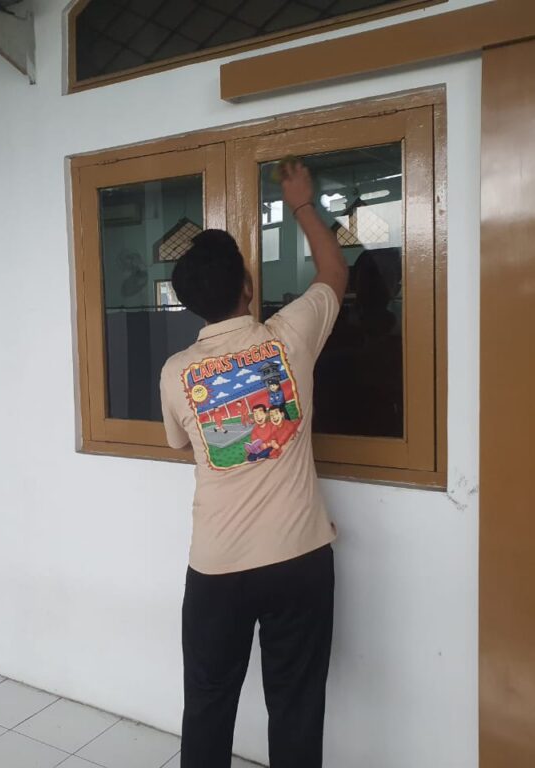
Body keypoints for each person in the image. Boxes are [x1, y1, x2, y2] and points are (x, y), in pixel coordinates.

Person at [159, 159, 347, 768]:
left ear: (191, 304)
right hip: (300, 557)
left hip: (218, 566)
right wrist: (301, 204)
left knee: (208, 703)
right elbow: (334, 272)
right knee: (296, 705)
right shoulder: (289, 336)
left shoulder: (176, 373)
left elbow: (180, 444)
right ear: (247, 284)